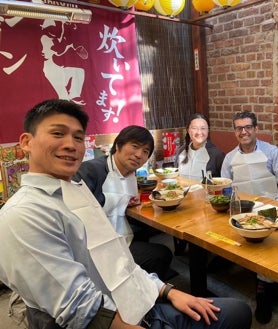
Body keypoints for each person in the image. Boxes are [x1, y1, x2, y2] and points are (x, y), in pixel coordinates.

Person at [0, 99, 252, 329]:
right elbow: (81, 310)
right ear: (26, 142)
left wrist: (168, 291)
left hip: (136, 298)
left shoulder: (74, 190)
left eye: (78, 138)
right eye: (57, 133)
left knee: (238, 310)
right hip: (119, 318)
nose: (70, 145)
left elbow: (118, 257)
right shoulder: (22, 215)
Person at [73, 125, 173, 281]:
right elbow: (77, 216)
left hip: (120, 236)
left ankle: (139, 286)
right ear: (118, 145)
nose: (139, 155)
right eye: (134, 146)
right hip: (95, 249)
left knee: (152, 243)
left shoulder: (131, 174)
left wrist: (126, 203)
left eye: (145, 151)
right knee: (161, 254)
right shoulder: (90, 171)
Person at [221, 110, 278, 324]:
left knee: (269, 246)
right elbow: (225, 188)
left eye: (247, 127)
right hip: (242, 211)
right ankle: (262, 286)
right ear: (235, 131)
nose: (243, 132)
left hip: (270, 209)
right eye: (238, 128)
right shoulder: (229, 158)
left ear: (255, 129)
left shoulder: (272, 152)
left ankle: (263, 288)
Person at [175, 113, 225, 181]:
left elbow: (223, 182)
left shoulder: (216, 154)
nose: (199, 132)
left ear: (208, 130)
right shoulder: (181, 151)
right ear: (188, 130)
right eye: (194, 128)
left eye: (203, 128)